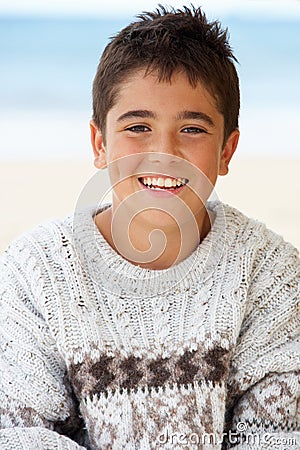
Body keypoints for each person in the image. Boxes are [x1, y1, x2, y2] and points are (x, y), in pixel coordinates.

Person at [0, 5, 299, 450]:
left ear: (227, 151)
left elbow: (277, 437)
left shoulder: (270, 272)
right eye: (138, 127)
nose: (164, 151)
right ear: (100, 144)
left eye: (193, 129)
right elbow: (19, 432)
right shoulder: (35, 270)